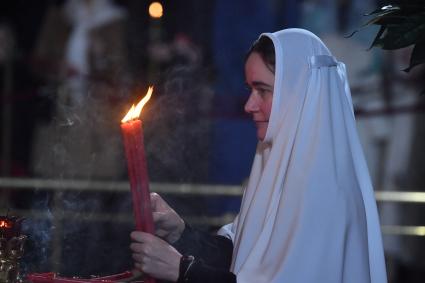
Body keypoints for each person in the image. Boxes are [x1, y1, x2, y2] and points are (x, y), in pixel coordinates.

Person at [129, 28, 388, 283]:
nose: (249, 105)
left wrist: (182, 270)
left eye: (262, 90)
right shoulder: (274, 160)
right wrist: (181, 233)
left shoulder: (326, 189)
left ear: (300, 94)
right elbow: (245, 256)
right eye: (250, 89)